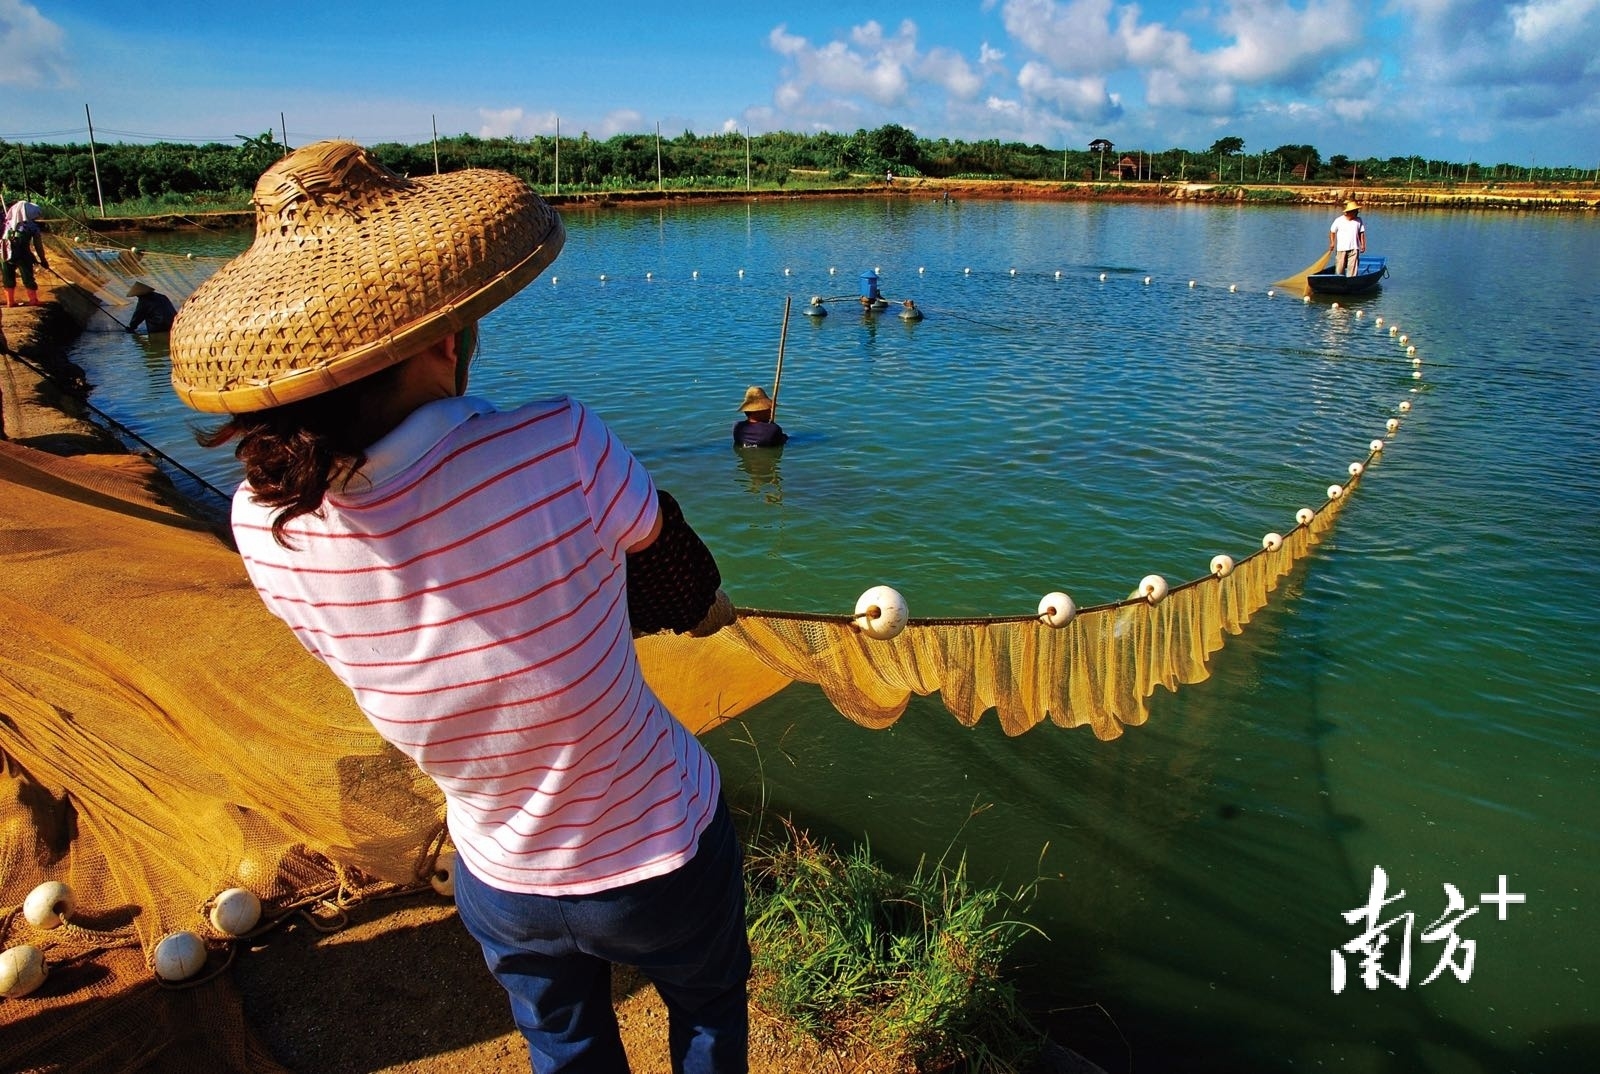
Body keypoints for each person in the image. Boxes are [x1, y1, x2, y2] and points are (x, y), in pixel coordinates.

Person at [168, 141, 749, 1074]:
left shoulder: (262, 525)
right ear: (443, 337)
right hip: (657, 848)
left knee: (565, 1046)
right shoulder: (559, 442)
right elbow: (677, 576)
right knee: (711, 1006)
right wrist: (705, 608)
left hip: (500, 877)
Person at [2, 201, 50, 307]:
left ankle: (10, 301)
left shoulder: (8, 223)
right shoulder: (32, 226)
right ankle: (33, 300)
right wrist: (43, 260)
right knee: (27, 275)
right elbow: (38, 246)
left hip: (5, 253)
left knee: (8, 276)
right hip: (22, 253)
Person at [1329, 200, 1366, 277]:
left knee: (1352, 270)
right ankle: (1339, 282)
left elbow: (1361, 233)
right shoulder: (1339, 220)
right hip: (1341, 249)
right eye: (1356, 211)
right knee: (1339, 269)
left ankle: (1351, 282)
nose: (1357, 212)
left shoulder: (1359, 220)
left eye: (1357, 211)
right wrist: (1332, 243)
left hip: (1354, 248)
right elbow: (1332, 232)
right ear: (1350, 211)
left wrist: (1362, 245)